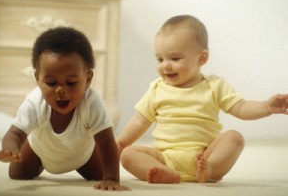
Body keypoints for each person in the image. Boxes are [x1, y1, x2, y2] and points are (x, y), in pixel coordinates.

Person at [116, 15, 288, 184]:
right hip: (164, 157)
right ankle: (162, 172)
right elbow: (139, 121)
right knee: (128, 155)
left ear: (202, 58)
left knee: (234, 138)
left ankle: (211, 170)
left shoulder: (214, 85)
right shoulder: (157, 88)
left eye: (175, 58)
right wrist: (120, 143)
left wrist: (267, 107)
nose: (165, 65)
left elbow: (241, 108)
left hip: (205, 156)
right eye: (160, 59)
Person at [0, 27, 129, 191]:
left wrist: (112, 178)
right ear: (37, 78)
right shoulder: (35, 102)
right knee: (16, 173)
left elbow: (106, 143)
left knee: (101, 174)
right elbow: (14, 134)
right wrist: (10, 149)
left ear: (88, 79)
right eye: (51, 83)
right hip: (39, 151)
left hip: (82, 155)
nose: (60, 90)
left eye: (71, 83)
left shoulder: (92, 102)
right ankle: (36, 158)